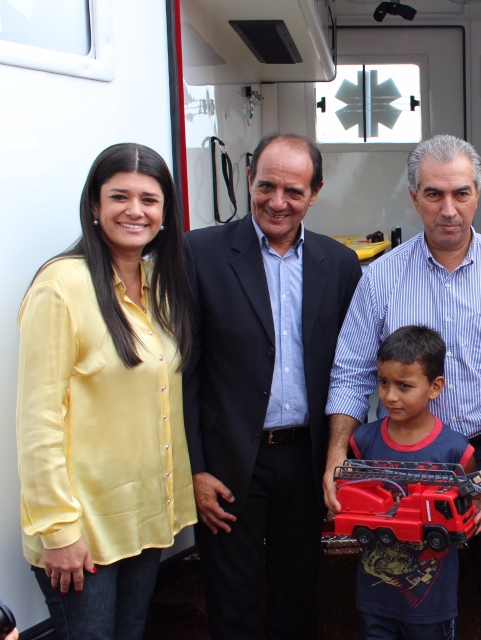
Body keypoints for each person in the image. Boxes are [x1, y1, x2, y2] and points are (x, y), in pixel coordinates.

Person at [325, 134, 481, 638]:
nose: (449, 209)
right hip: (401, 466)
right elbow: (350, 371)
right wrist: (337, 454)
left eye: (461, 193)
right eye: (434, 194)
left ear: (477, 195)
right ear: (413, 197)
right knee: (403, 593)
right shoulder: (379, 278)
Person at [184, 133, 362, 640]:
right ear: (248, 180)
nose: (277, 202)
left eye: (293, 190)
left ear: (316, 192)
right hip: (229, 464)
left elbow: (349, 369)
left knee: (298, 593)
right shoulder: (199, 253)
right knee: (231, 598)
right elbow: (186, 373)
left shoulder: (340, 264)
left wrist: (343, 455)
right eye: (266, 186)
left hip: (306, 460)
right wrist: (194, 469)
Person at [16, 143, 196, 638]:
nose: (135, 210)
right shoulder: (61, 287)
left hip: (142, 521)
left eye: (150, 199)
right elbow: (39, 421)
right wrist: (58, 530)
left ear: (165, 213)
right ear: (94, 206)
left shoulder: (162, 284)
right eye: (120, 196)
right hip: (84, 531)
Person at [345, 325, 476, 640]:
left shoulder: (456, 450)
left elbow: (471, 501)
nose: (390, 396)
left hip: (432, 605)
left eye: (404, 386)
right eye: (383, 382)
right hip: (375, 601)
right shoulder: (362, 440)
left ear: (435, 387)